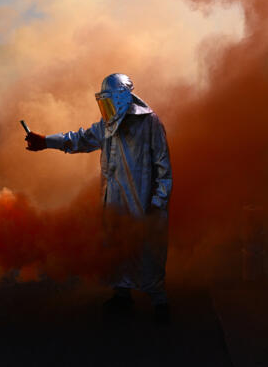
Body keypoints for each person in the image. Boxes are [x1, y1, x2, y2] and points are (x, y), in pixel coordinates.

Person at [25, 73, 173, 324]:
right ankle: (122, 294)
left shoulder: (150, 123)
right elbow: (79, 139)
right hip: (114, 198)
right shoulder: (106, 125)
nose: (106, 108)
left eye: (109, 101)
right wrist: (46, 141)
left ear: (123, 98)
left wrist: (159, 201)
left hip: (142, 199)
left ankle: (159, 299)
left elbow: (163, 165)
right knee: (117, 244)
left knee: (147, 248)